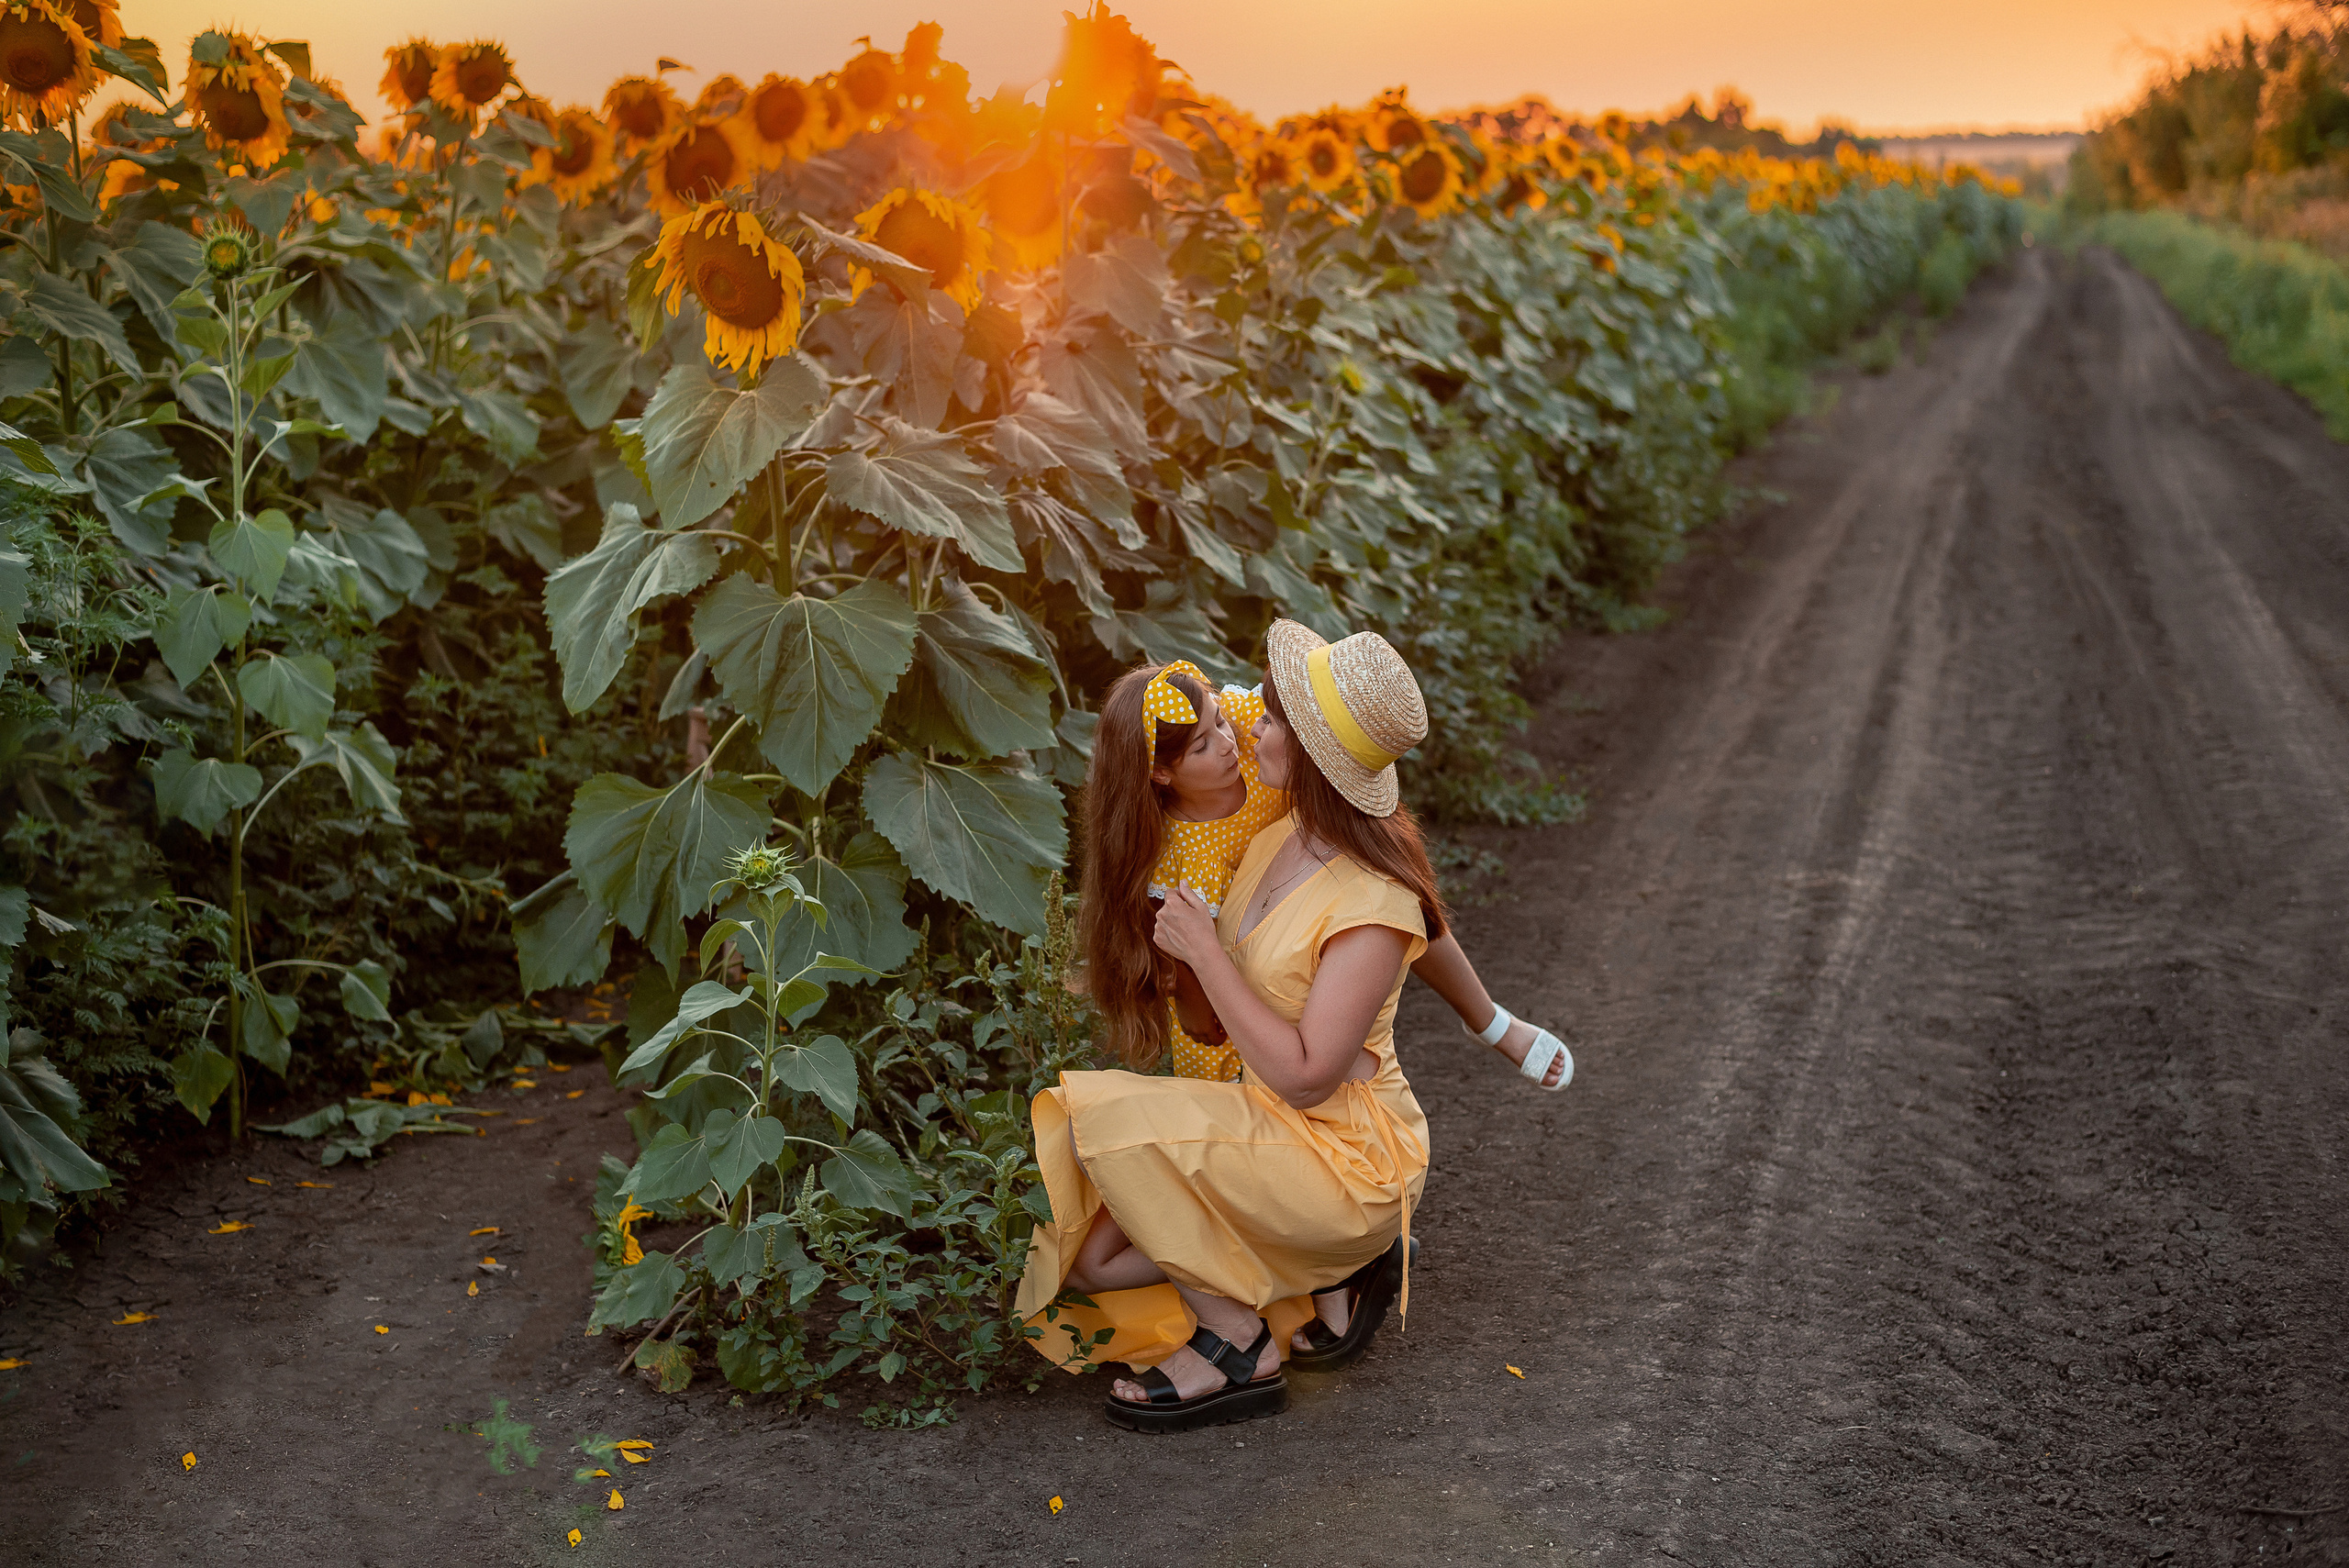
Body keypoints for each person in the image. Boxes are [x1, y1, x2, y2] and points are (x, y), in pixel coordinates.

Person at [1016, 624, 1458, 1431]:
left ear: (1317, 755)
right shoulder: (1274, 840)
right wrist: (1181, 970)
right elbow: (1213, 1026)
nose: (1253, 728)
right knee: (1096, 1259)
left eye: (1274, 719)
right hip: (1267, 1122)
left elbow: (1304, 1073)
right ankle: (1341, 1266)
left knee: (1095, 1124)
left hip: (1343, 1155)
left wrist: (1205, 953)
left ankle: (1238, 1340)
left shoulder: (1372, 900)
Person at [1077, 658, 1573, 1093]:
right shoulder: (1180, 860)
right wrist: (1189, 997)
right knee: (1248, 1057)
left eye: (1222, 722)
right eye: (1203, 746)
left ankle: (1486, 1018)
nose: (1231, 743)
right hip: (1245, 951)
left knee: (1391, 888)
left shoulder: (1248, 729)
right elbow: (1191, 974)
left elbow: (1307, 715)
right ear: (1161, 774)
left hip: (1315, 852)